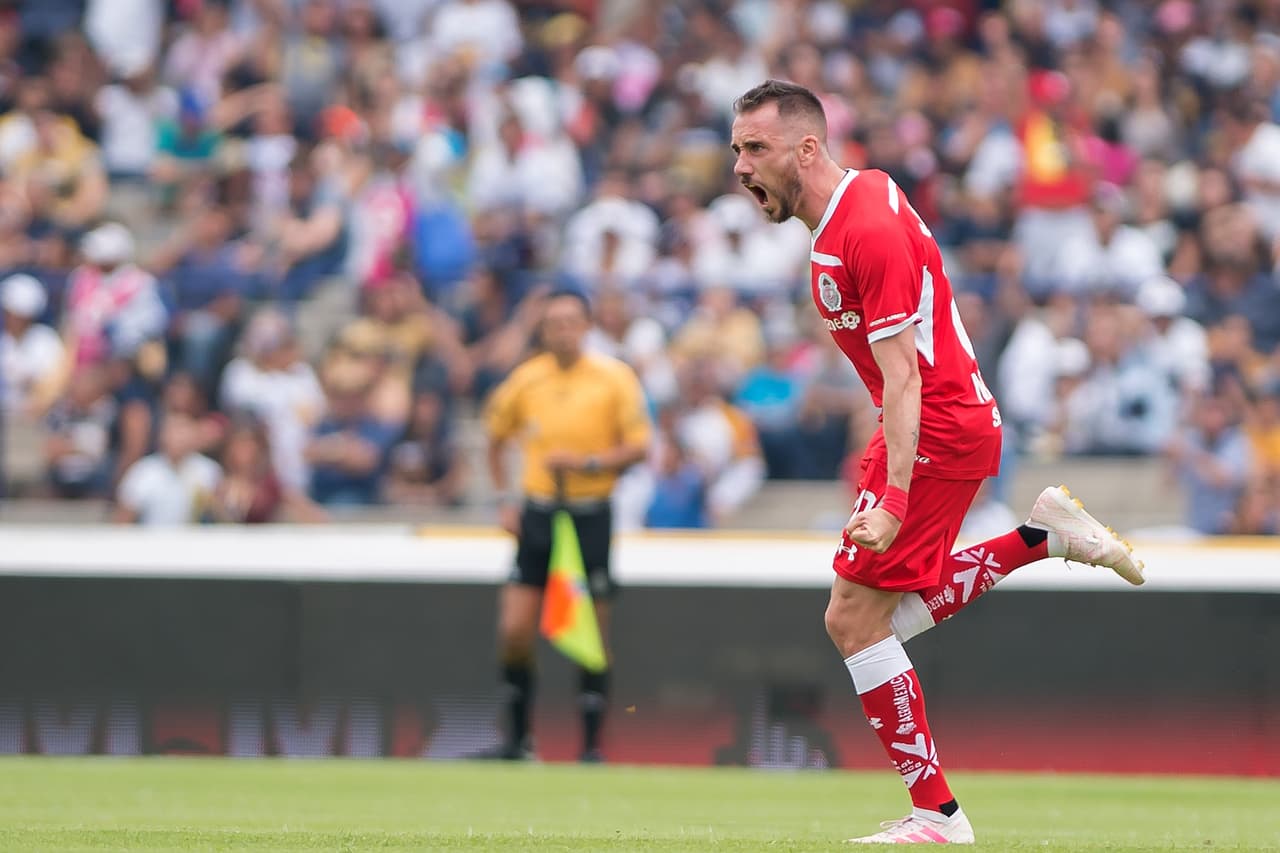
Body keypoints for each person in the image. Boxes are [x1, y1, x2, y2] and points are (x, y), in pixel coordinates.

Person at [729, 80, 1144, 845]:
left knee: (853, 620)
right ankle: (1041, 537)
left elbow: (904, 376)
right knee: (869, 621)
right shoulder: (855, 208)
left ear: (807, 148)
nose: (741, 166)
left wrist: (892, 494)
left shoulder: (865, 229)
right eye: (737, 149)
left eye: (756, 148)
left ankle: (940, 815)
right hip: (934, 425)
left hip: (937, 427)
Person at [481, 290, 652, 762]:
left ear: (587, 326)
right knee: (515, 628)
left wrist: (587, 463)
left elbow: (639, 446)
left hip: (589, 512)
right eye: (554, 323)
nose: (563, 331)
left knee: (591, 632)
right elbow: (494, 438)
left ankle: (591, 745)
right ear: (542, 330)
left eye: (571, 321)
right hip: (539, 513)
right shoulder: (526, 380)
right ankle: (518, 740)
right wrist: (504, 501)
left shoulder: (613, 378)